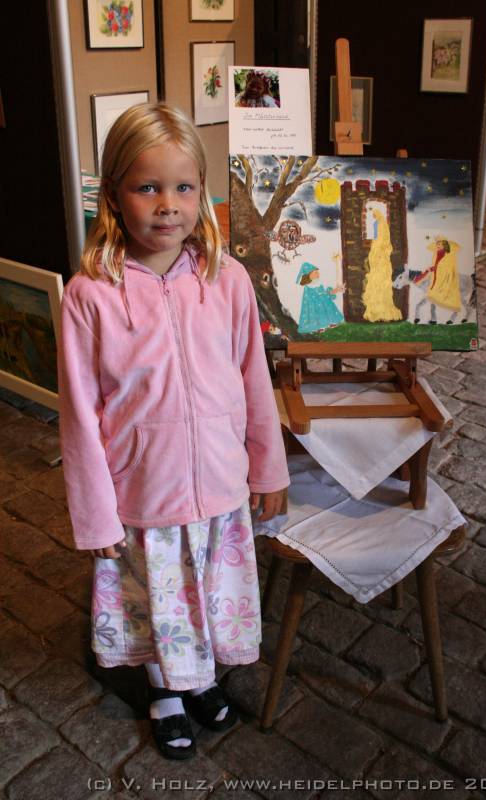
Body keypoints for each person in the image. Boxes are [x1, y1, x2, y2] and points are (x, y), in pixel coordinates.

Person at [58, 103, 289, 761]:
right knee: (160, 603)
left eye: (184, 187)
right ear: (113, 194)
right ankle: (165, 690)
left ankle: (203, 677)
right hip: (144, 496)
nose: (168, 205)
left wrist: (268, 468)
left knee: (207, 594)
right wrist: (96, 517)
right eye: (147, 187)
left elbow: (253, 380)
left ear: (202, 192)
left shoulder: (227, 280)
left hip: (219, 488)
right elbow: (78, 416)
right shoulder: (90, 294)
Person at [362, 207, 402, 322]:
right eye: (373, 215)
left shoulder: (383, 225)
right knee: (375, 281)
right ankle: (375, 310)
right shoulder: (376, 224)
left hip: (381, 254)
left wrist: (381, 250)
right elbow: (375, 237)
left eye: (375, 214)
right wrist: (375, 249)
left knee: (382, 282)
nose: (374, 216)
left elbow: (385, 239)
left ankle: (383, 310)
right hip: (376, 251)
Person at [296, 261, 344, 334]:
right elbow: (307, 300)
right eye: (315, 273)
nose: (318, 274)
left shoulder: (318, 283)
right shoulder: (308, 287)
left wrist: (335, 290)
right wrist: (319, 298)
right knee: (316, 314)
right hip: (314, 305)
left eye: (317, 272)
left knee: (328, 309)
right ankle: (317, 328)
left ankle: (331, 322)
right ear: (308, 275)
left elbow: (324, 292)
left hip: (323, 301)